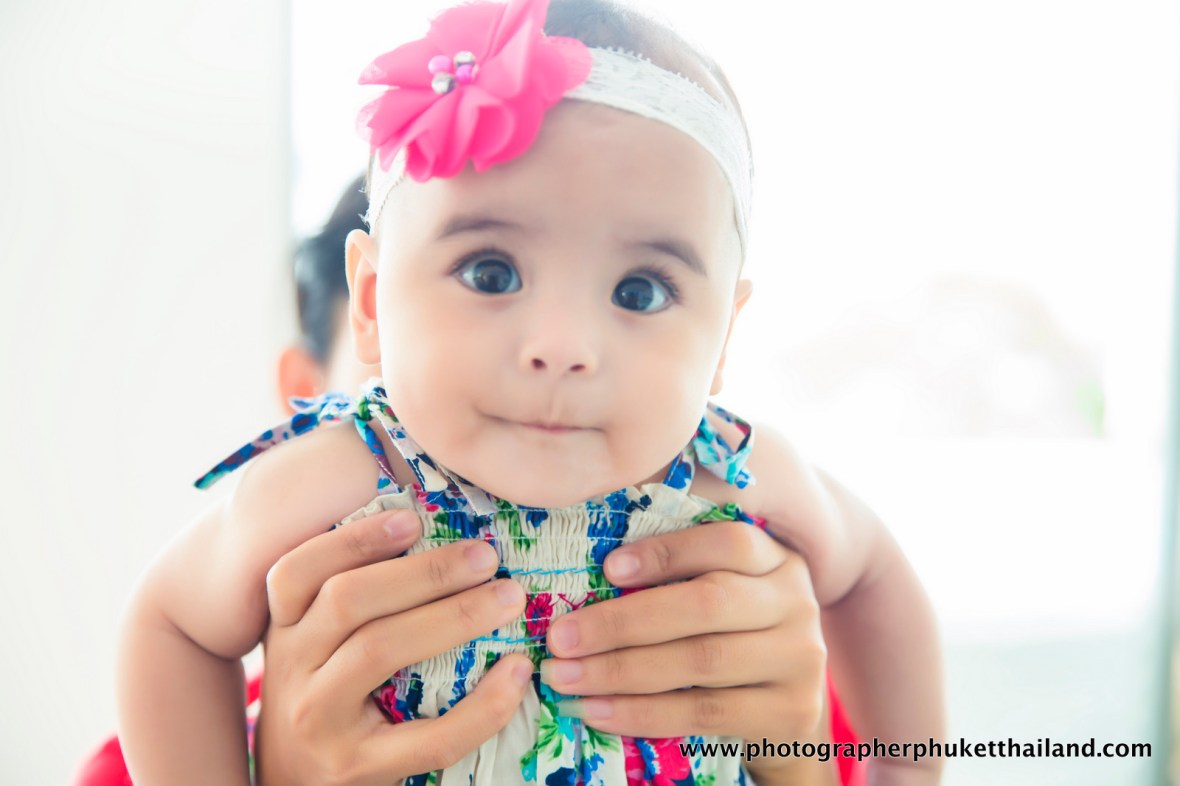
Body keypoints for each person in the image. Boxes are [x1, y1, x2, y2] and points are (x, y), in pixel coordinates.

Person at [117, 1, 939, 783]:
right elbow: (171, 625)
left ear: (723, 334)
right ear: (371, 303)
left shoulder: (733, 467)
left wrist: (904, 771)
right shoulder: (349, 475)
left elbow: (872, 574)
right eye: (491, 272)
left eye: (641, 292)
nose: (563, 348)